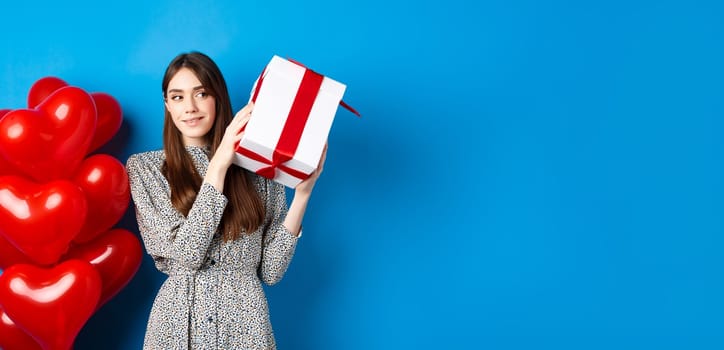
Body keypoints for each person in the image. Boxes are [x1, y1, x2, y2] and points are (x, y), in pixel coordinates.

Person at [126, 51, 325, 349]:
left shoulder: (258, 171)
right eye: (177, 97)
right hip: (178, 326)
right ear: (167, 105)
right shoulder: (146, 169)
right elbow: (188, 256)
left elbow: (270, 272)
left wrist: (303, 194)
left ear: (218, 97)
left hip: (246, 325)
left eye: (201, 93)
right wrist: (219, 164)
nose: (190, 108)